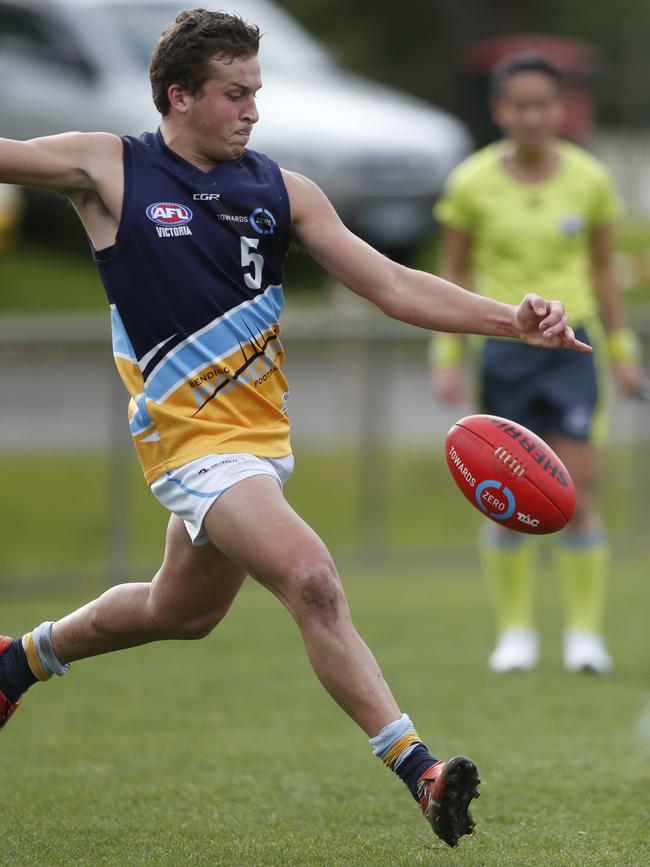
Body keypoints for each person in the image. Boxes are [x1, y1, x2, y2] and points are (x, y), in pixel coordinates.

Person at [0, 13, 590, 849]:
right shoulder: (108, 166)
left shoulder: (281, 189)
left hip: (259, 445)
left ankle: (16, 660)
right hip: (188, 444)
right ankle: (418, 767)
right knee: (312, 577)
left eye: (257, 94)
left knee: (181, 609)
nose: (252, 112)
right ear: (180, 95)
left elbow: (388, 283)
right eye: (235, 95)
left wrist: (513, 321)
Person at [430, 52, 643, 675]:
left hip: (575, 348)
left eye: (543, 105)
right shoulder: (470, 182)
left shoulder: (589, 179)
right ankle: (515, 633)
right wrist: (446, 354)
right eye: (519, 106)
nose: (533, 116)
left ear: (561, 110)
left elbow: (605, 268)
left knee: (576, 491)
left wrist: (625, 351)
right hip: (502, 350)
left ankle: (583, 635)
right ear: (499, 111)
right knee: (503, 492)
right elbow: (455, 271)